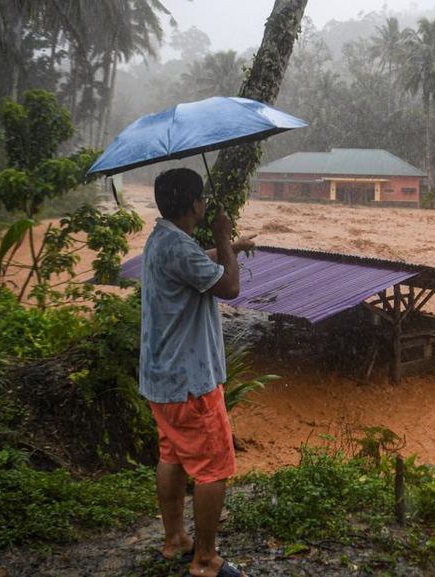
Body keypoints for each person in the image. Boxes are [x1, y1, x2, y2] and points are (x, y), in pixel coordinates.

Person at [139, 167, 255, 577]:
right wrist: (224, 238)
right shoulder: (181, 246)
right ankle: (205, 559)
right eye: (202, 199)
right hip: (192, 383)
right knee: (213, 468)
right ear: (194, 204)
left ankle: (175, 540)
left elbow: (192, 264)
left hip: (160, 380)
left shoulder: (161, 240)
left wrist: (230, 248)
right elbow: (230, 289)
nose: (205, 205)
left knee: (170, 455)